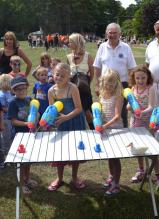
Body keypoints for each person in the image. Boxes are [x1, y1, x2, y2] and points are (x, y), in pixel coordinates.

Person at [47, 63, 86, 191]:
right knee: (60, 151)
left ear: (69, 76)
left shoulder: (73, 88)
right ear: (53, 74)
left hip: (75, 122)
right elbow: (52, 110)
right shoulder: (51, 91)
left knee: (75, 151)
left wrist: (66, 117)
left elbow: (79, 108)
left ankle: (74, 177)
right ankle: (59, 178)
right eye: (57, 74)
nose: (59, 77)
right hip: (62, 124)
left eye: (63, 76)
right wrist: (50, 120)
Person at [93, 23, 137, 128]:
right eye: (110, 33)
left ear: (120, 34)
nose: (112, 35)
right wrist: (97, 85)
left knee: (122, 113)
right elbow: (97, 67)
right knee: (106, 110)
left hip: (122, 84)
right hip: (105, 85)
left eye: (115, 33)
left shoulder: (126, 47)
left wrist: (132, 85)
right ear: (106, 34)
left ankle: (124, 133)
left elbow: (132, 68)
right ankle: (105, 130)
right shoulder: (102, 47)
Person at [127, 65, 159, 184]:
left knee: (152, 150)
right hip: (136, 123)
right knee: (138, 148)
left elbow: (152, 106)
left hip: (148, 123)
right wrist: (130, 108)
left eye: (143, 78)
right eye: (138, 78)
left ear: (148, 77)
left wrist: (141, 112)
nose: (140, 80)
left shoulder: (150, 89)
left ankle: (158, 175)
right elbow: (129, 105)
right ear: (134, 78)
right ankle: (141, 171)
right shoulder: (133, 89)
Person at [7, 76, 38, 194]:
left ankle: (27, 179)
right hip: (18, 136)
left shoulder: (29, 100)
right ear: (13, 91)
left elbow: (35, 113)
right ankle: (21, 184)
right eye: (18, 89)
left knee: (28, 160)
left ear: (27, 88)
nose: (21, 91)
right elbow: (13, 121)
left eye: (23, 89)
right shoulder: (12, 103)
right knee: (21, 161)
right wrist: (26, 123)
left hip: (29, 134)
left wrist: (36, 118)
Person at [99, 69, 123, 196]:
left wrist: (104, 125)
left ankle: (116, 184)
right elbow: (101, 112)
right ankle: (112, 177)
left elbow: (117, 116)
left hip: (116, 129)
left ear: (116, 82)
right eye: (107, 82)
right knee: (109, 155)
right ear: (102, 82)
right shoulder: (102, 94)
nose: (110, 84)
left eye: (112, 82)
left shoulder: (118, 95)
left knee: (115, 157)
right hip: (105, 129)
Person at [67, 33, 94, 130]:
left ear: (77, 43)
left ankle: (94, 129)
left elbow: (92, 73)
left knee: (88, 112)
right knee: (74, 110)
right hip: (72, 89)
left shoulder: (88, 56)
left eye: (70, 42)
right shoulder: (69, 57)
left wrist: (85, 83)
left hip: (84, 89)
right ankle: (78, 130)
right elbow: (67, 72)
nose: (68, 43)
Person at [0, 74, 13, 168]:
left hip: (9, 118)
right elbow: (3, 108)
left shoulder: (8, 92)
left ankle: (9, 152)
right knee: (5, 137)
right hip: (4, 119)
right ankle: (5, 155)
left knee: (9, 135)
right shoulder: (1, 94)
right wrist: (12, 110)